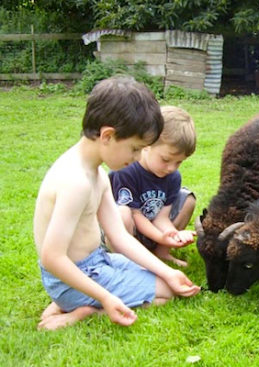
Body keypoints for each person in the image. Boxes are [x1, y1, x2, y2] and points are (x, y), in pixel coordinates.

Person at [33, 76, 201, 331]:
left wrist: (168, 272)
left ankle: (67, 301)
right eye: (134, 149)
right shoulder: (75, 181)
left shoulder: (96, 173)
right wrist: (105, 298)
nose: (136, 158)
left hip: (98, 262)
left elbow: (119, 238)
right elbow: (52, 257)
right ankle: (82, 311)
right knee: (165, 295)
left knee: (165, 280)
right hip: (70, 277)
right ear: (108, 135)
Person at [109, 106, 197, 267]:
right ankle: (128, 260)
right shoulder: (126, 170)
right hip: (127, 230)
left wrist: (172, 234)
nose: (171, 168)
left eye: (179, 162)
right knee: (123, 213)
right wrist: (160, 236)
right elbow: (135, 215)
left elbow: (161, 217)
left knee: (188, 199)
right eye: (165, 159)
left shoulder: (173, 177)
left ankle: (162, 253)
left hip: (152, 229)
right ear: (146, 145)